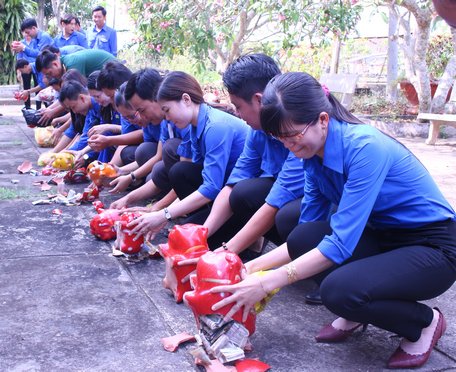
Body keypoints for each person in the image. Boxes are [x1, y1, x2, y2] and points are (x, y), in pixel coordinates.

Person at [209, 72, 456, 369]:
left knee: (339, 292)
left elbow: (340, 244)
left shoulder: (365, 148)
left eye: (293, 135)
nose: (288, 145)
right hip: (383, 235)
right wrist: (246, 269)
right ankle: (359, 310)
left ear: (323, 120)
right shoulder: (311, 154)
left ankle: (425, 321)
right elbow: (307, 233)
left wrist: (267, 282)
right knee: (303, 237)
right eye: (279, 137)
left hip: (433, 247)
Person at [201, 54, 304, 257]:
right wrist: (201, 234)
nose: (237, 114)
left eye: (238, 106)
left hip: (319, 208)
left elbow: (277, 200)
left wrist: (226, 252)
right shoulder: (257, 131)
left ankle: (299, 255)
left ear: (258, 100)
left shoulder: (299, 132)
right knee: (243, 192)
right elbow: (234, 183)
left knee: (287, 216)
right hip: (288, 197)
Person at [128, 71, 249, 242]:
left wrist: (164, 214)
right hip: (223, 190)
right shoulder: (195, 126)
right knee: (180, 171)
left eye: (167, 110)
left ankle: (239, 229)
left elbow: (211, 187)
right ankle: (205, 216)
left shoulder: (216, 127)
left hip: (240, 197)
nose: (167, 118)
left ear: (186, 99)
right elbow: (199, 175)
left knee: (190, 242)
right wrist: (163, 213)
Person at [110, 68, 191, 209]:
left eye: (141, 111)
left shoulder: (189, 123)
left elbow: (200, 180)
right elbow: (160, 156)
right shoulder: (167, 121)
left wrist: (161, 211)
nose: (141, 117)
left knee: (169, 151)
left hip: (206, 185)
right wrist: (128, 195)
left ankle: (182, 204)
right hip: (192, 177)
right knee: (157, 170)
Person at [12, 19, 53, 109]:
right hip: (40, 67)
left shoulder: (44, 37)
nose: (27, 35)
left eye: (28, 32)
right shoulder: (35, 40)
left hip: (49, 67)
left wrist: (24, 48)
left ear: (34, 28)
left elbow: (40, 54)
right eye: (25, 33)